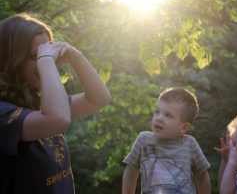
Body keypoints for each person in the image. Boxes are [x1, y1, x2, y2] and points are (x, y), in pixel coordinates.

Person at [0, 13, 111, 193]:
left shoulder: (38, 104)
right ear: (11, 59)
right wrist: (46, 61)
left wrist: (76, 56)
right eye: (36, 55)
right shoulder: (3, 113)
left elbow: (99, 98)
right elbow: (57, 119)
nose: (46, 61)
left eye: (48, 52)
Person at [122, 88, 211, 194]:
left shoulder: (190, 144)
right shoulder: (144, 140)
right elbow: (130, 171)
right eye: (157, 112)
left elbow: (202, 175)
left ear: (183, 127)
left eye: (168, 115)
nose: (159, 118)